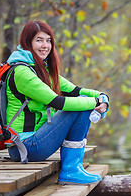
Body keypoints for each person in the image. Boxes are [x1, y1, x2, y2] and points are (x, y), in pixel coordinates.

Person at [6, 20, 109, 185]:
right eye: (39, 40)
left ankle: (73, 168)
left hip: (34, 142)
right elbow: (57, 102)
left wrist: (103, 97)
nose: (45, 45)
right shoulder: (22, 72)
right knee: (82, 105)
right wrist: (93, 103)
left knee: (82, 101)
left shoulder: (41, 70)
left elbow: (75, 90)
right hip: (25, 147)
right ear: (27, 42)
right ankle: (70, 170)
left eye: (48, 40)